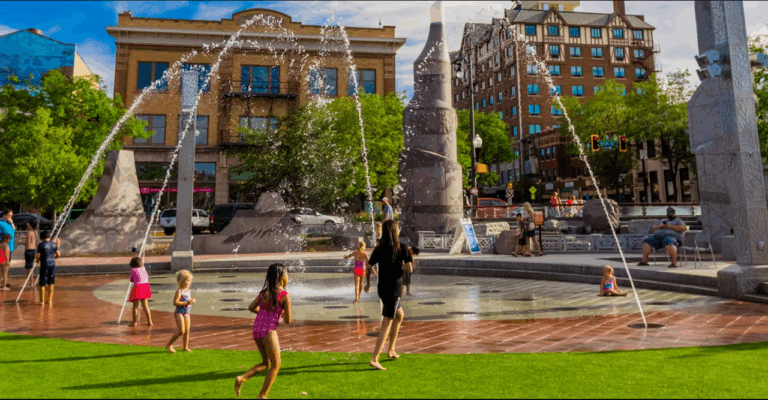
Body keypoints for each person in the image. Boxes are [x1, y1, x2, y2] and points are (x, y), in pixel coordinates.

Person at [235, 263, 292, 399]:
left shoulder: (264, 292)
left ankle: (242, 378)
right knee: (276, 365)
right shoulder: (284, 296)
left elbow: (251, 307)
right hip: (269, 331)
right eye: (287, 274)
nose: (288, 276)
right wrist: (282, 314)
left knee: (266, 363)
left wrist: (263, 314)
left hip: (257, 329)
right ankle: (262, 395)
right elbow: (288, 321)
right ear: (282, 276)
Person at [364, 220, 412, 370]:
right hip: (394, 289)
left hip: (382, 288)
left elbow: (369, 266)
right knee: (387, 322)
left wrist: (368, 283)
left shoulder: (379, 248)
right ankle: (375, 358)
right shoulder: (402, 247)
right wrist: (405, 267)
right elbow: (409, 269)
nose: (399, 230)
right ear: (394, 230)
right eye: (397, 228)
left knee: (399, 315)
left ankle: (391, 350)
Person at [166, 270, 195, 353]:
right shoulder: (179, 291)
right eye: (188, 281)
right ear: (181, 281)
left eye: (190, 281)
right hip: (179, 313)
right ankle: (169, 345)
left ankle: (185, 347)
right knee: (181, 331)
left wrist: (192, 300)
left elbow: (188, 299)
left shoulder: (188, 290)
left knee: (187, 331)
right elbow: (175, 302)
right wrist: (186, 303)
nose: (189, 283)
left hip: (187, 313)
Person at [35, 231, 60, 305]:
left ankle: (42, 301)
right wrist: (53, 257)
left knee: (42, 283)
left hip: (44, 264)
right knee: (51, 282)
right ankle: (50, 300)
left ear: (41, 238)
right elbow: (58, 254)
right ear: (49, 237)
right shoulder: (53, 244)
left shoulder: (41, 245)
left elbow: (38, 256)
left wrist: (37, 260)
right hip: (52, 264)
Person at [128, 257, 153, 327]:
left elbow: (131, 280)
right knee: (145, 306)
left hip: (138, 287)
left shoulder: (133, 270)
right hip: (145, 287)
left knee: (135, 307)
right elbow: (146, 277)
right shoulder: (143, 268)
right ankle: (150, 321)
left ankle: (134, 322)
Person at [0, 210, 15, 287]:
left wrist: (12, 222)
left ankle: (3, 281)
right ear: (4, 215)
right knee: (2, 265)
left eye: (11, 216)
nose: (10, 217)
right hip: (3, 247)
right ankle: (1, 281)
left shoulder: (9, 223)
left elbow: (14, 230)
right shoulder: (0, 223)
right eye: (8, 215)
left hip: (10, 247)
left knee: (7, 265)